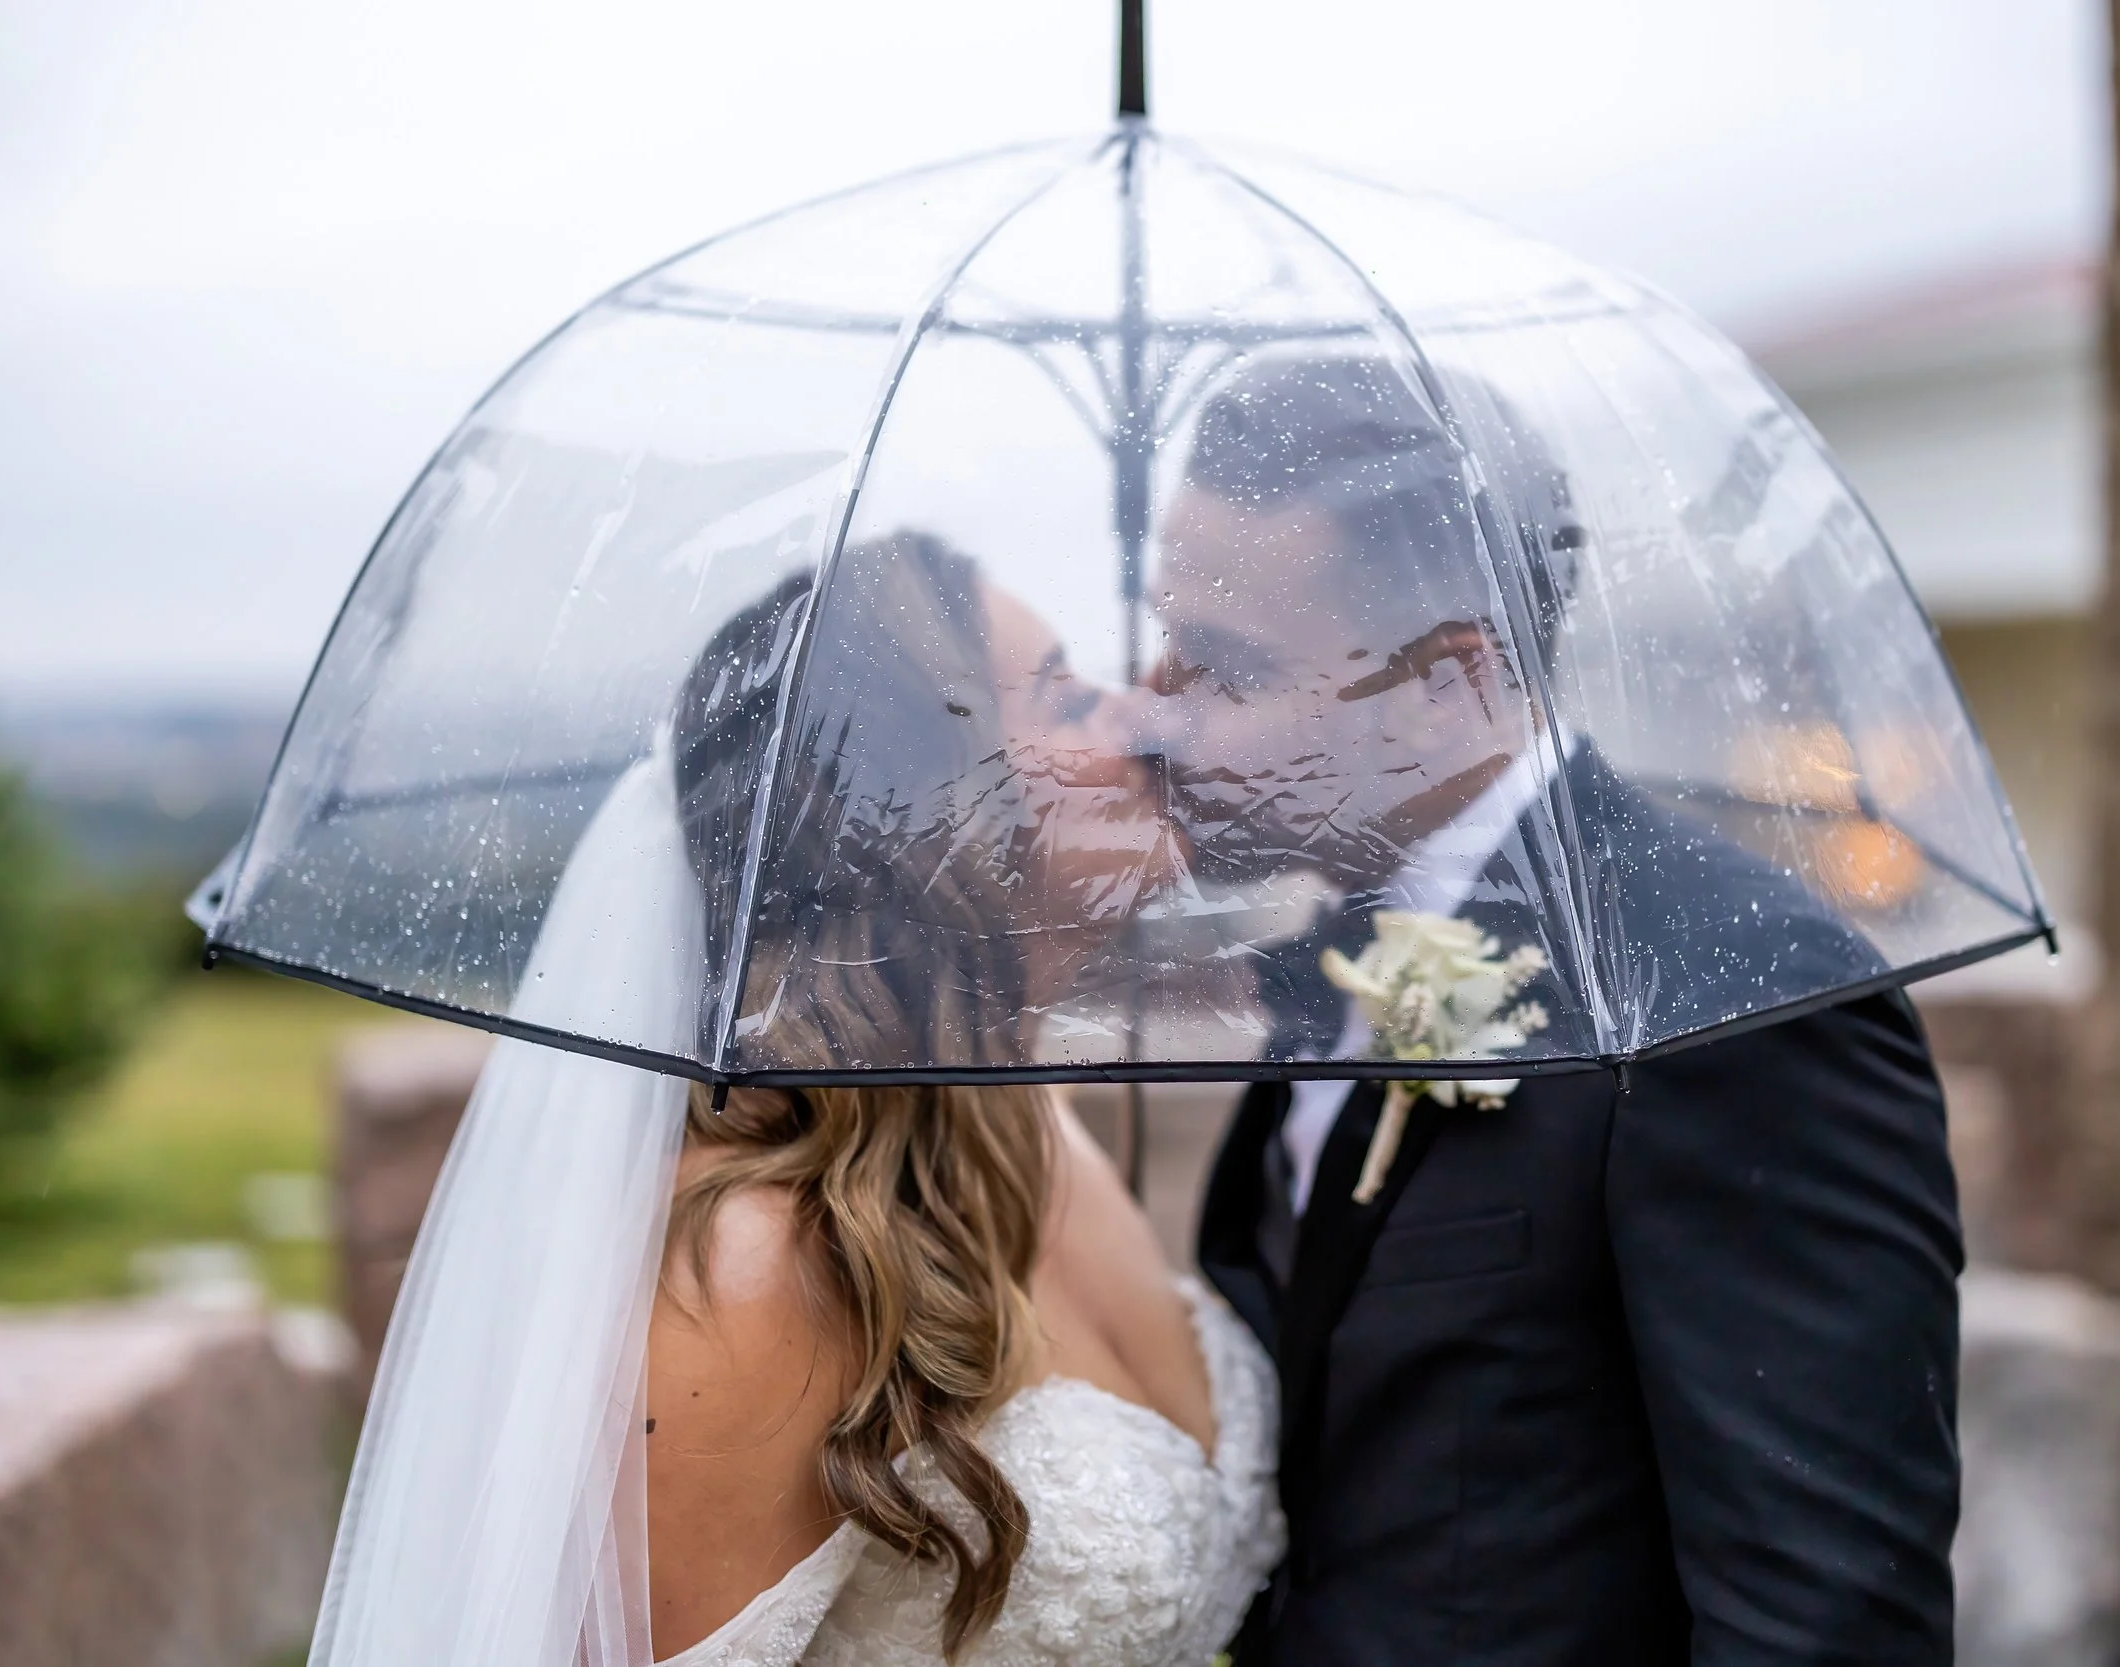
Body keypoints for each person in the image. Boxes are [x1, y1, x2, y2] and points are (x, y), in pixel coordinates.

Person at [1154, 357, 1961, 1663]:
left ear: (1450, 681)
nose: (1157, 711)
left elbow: (1824, 1615)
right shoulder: (1328, 949)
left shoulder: (1738, 995)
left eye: (1226, 669)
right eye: (1167, 639)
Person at [644, 531, 1284, 1666]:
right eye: (1064, 696)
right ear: (923, 810)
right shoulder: (749, 1264)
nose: (1144, 720)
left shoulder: (1035, 1126)